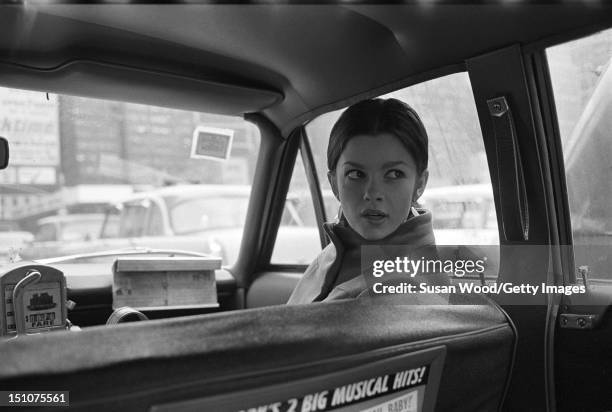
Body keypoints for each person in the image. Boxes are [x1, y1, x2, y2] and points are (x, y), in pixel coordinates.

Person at [287, 98, 448, 304]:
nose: (372, 193)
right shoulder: (333, 253)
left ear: (420, 184)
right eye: (356, 174)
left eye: (394, 174)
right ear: (334, 184)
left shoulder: (404, 289)